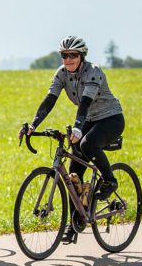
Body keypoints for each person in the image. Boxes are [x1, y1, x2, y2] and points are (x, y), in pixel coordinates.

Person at [18, 35, 125, 244]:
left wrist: (77, 128)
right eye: (64, 56)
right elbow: (49, 100)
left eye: (73, 55)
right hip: (90, 120)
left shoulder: (93, 71)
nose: (68, 60)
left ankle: (110, 180)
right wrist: (33, 125)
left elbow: (85, 102)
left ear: (81, 56)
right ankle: (74, 224)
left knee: (87, 143)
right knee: (72, 174)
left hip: (110, 118)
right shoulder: (61, 74)